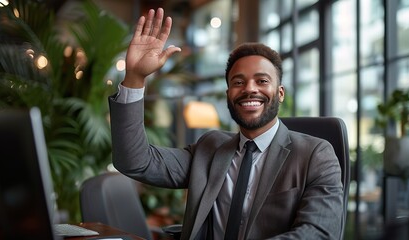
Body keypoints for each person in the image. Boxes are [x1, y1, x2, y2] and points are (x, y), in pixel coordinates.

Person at [108, 8, 343, 240]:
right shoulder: (210, 148)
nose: (249, 88)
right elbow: (135, 161)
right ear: (229, 94)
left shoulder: (316, 154)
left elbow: (319, 232)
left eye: (262, 80)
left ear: (280, 93)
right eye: (238, 82)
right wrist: (135, 78)